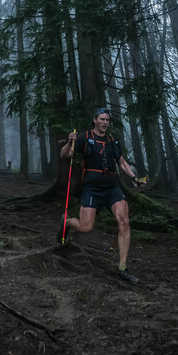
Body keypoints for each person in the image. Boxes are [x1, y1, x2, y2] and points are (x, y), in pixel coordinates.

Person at [60, 107, 140, 285]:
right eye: (102, 119)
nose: (105, 123)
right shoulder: (83, 137)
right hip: (92, 188)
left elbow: (122, 162)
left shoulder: (113, 140)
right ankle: (66, 222)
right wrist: (68, 142)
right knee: (86, 227)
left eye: (107, 120)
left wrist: (135, 178)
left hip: (112, 187)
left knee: (124, 222)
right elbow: (65, 155)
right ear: (95, 120)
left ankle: (122, 268)